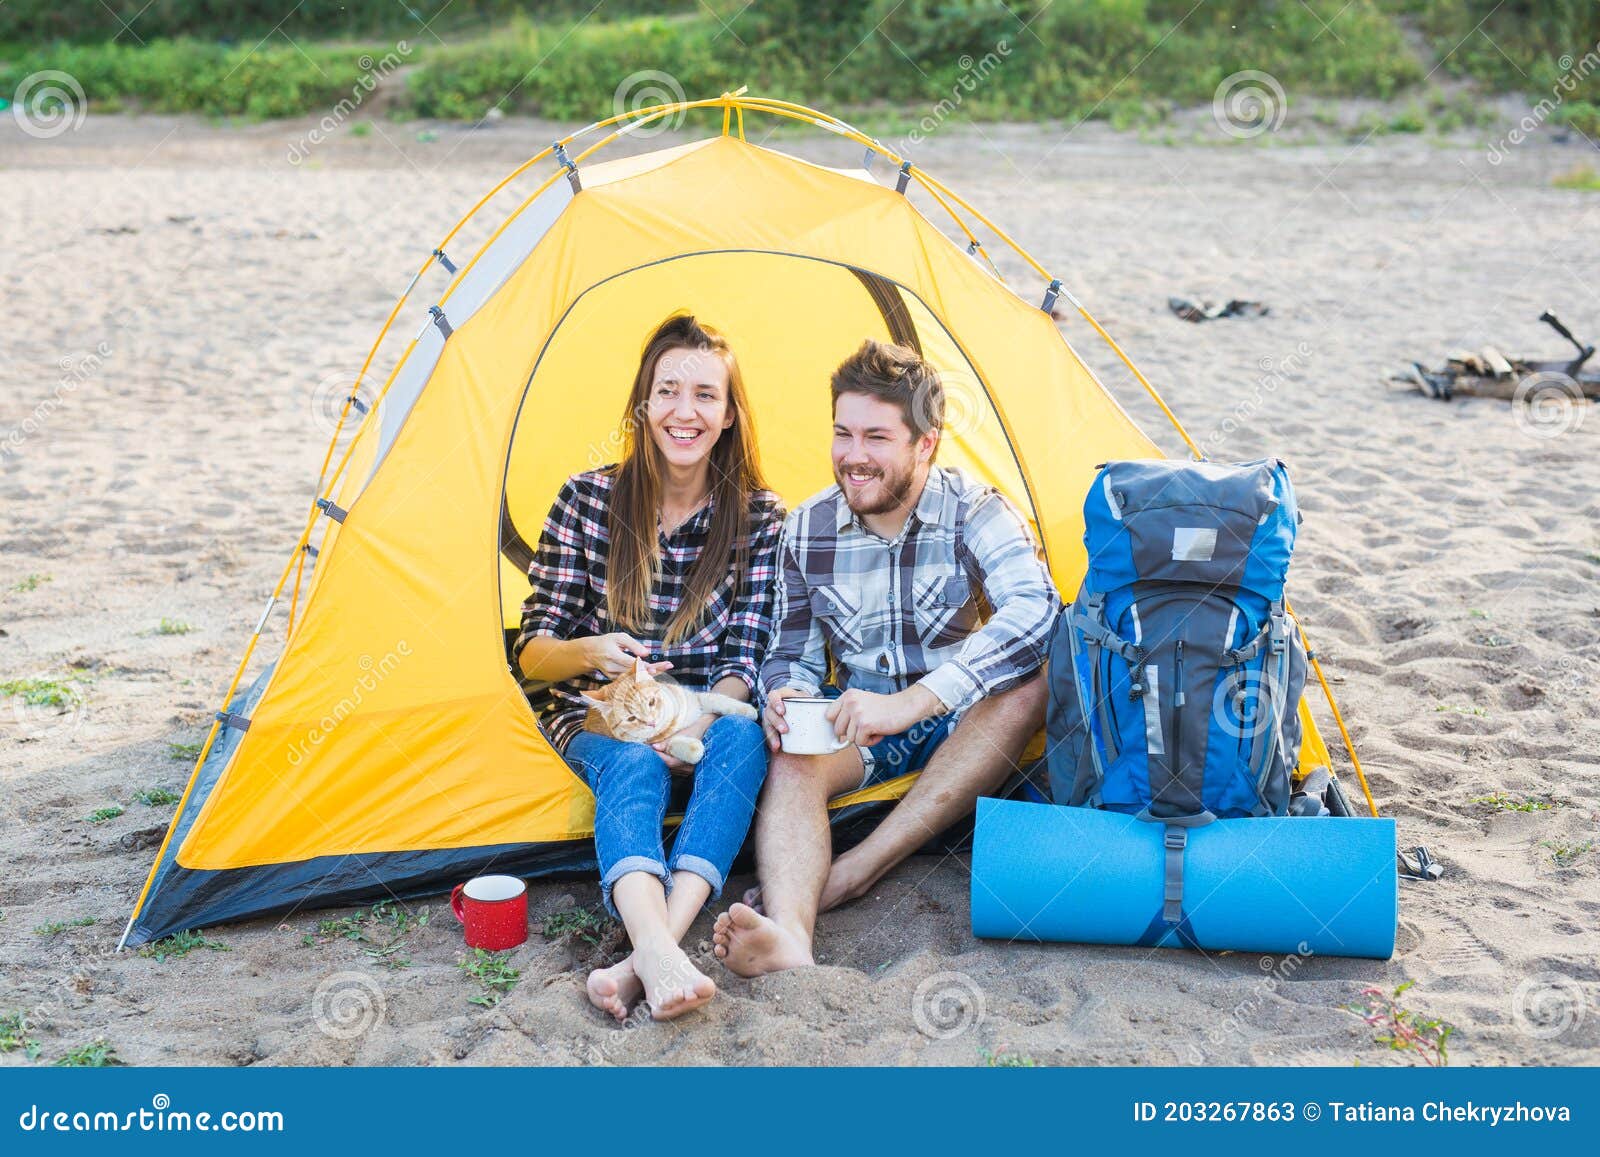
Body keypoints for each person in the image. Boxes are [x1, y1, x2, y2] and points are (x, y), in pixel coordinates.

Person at [713, 338, 1057, 977]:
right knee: (793, 749)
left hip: (964, 715)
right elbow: (791, 651)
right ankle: (790, 934)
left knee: (1028, 686)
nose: (853, 457)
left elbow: (1036, 613)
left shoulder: (975, 512)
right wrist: (785, 691)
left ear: (925, 443)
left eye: (876, 437)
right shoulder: (807, 528)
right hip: (865, 721)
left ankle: (860, 868)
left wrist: (916, 702)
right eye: (843, 434)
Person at [514, 314, 782, 1020]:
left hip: (702, 712)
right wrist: (592, 650)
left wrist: (694, 712)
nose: (683, 412)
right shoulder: (587, 499)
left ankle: (648, 953)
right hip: (598, 710)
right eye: (667, 391)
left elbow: (745, 656)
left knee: (744, 737)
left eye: (704, 395)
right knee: (633, 768)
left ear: (728, 415)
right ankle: (660, 951)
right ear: (643, 403)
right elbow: (533, 654)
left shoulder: (760, 518)